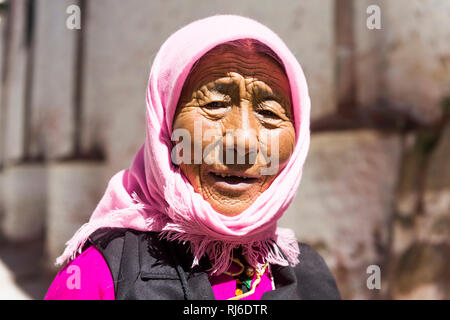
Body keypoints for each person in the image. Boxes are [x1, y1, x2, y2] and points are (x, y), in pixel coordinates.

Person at [45, 14, 340, 300]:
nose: (243, 140)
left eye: (269, 112)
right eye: (214, 104)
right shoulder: (98, 277)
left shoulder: (310, 275)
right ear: (165, 126)